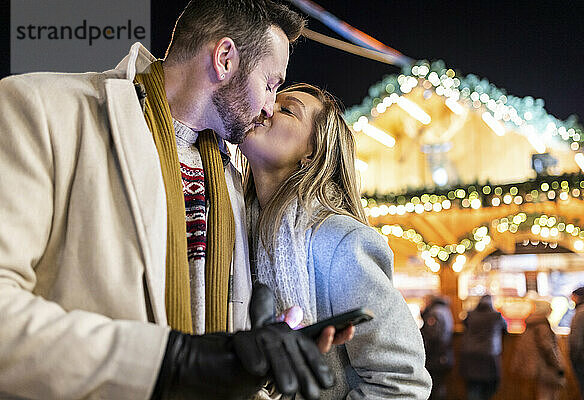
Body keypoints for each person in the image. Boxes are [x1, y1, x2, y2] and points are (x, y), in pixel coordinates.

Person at [0, 1, 347, 399]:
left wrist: (255, 359)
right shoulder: (43, 109)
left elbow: (218, 346)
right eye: (270, 84)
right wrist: (171, 363)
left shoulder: (232, 177)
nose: (270, 105)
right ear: (225, 58)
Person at [238, 83, 432, 399]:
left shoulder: (339, 242)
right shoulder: (236, 228)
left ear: (311, 152)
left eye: (287, 109)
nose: (266, 107)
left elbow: (403, 383)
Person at [512, 300, 566, 400]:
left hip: (532, 367)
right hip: (544, 368)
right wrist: (558, 366)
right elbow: (548, 348)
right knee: (546, 395)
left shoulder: (530, 324)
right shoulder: (542, 326)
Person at [459, 295, 507, 400]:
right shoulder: (496, 316)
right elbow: (505, 329)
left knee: (472, 386)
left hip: (470, 354)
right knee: (490, 386)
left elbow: (464, 325)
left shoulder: (470, 314)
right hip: (489, 354)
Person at [420, 295, 455, 400]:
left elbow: (432, 336)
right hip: (444, 355)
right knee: (439, 386)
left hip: (436, 357)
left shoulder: (435, 313)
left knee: (434, 387)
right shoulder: (444, 310)